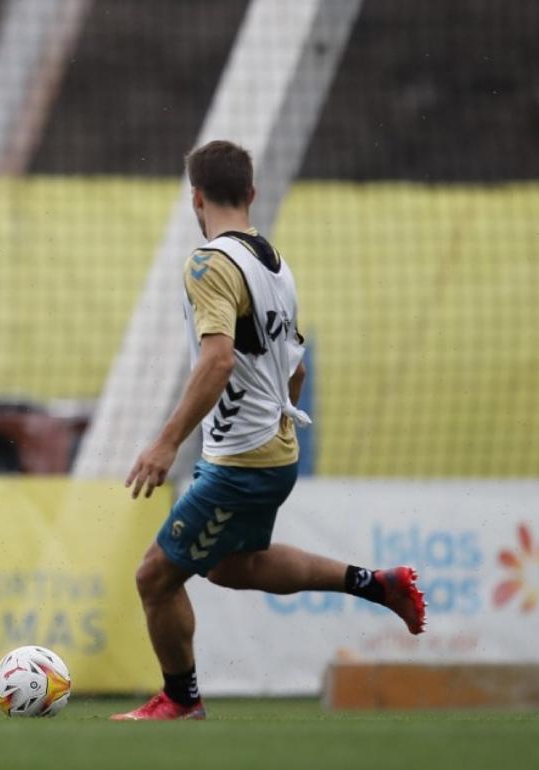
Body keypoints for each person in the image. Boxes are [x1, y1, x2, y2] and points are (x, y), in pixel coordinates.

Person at [112, 140, 425, 721]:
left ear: (196, 198)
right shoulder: (275, 265)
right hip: (271, 450)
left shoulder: (208, 263)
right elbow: (295, 366)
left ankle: (181, 701)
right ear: (251, 193)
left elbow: (218, 361)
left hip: (241, 462)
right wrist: (273, 425)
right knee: (236, 567)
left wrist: (165, 443)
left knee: (154, 578)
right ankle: (377, 584)